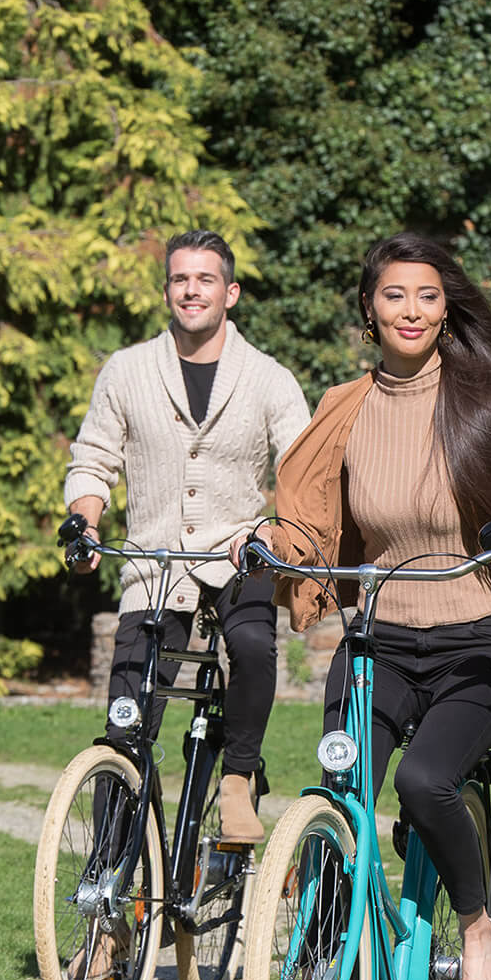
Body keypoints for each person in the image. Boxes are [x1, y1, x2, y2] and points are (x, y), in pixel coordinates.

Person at [240, 231, 491, 980]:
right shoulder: (341, 412)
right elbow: (308, 529)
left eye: (428, 296)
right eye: (395, 295)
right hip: (379, 645)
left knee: (424, 784)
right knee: (339, 798)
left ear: (445, 306)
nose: (412, 310)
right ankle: (321, 979)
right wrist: (262, 541)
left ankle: (476, 928)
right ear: (369, 310)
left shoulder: (485, 404)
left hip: (475, 647)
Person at [64, 228, 310, 865]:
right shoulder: (126, 370)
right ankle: (110, 903)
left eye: (205, 279)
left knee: (253, 644)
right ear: (166, 290)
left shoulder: (269, 379)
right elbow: (92, 462)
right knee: (124, 728)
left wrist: (275, 531)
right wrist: (85, 522)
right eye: (179, 279)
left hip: (241, 553)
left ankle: (239, 776)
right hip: (153, 563)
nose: (191, 290)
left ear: (231, 293)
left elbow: (305, 472)